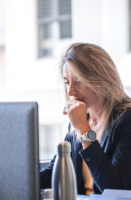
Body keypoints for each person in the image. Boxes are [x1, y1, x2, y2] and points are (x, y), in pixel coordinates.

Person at [40, 43, 131, 195]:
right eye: (67, 82)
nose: (70, 91)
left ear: (102, 79)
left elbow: (115, 189)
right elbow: (55, 173)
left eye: (79, 81)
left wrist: (84, 131)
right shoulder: (80, 120)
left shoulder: (126, 120)